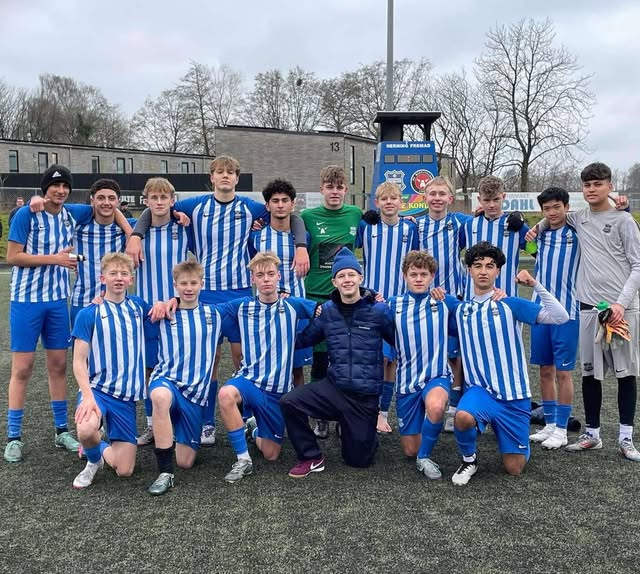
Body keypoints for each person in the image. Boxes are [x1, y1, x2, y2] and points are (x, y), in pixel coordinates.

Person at [127, 156, 309, 446]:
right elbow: (155, 208)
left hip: (240, 293)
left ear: (237, 178)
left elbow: (290, 214)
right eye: (219, 172)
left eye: (230, 172)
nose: (225, 176)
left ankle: (249, 418)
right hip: (207, 294)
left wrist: (300, 246)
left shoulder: (250, 207)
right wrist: (136, 235)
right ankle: (207, 423)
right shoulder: (195, 206)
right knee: (207, 361)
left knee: (244, 358)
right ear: (211, 177)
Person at [528, 162, 640, 460]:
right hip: (589, 309)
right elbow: (552, 216)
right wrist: (537, 227)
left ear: (610, 186)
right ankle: (592, 434)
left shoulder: (624, 220)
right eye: (587, 185)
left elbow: (638, 264)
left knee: (626, 375)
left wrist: (621, 303)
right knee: (590, 374)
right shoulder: (579, 218)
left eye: (598, 184)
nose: (592, 189)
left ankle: (626, 438)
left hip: (621, 310)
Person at [447, 242, 569, 486]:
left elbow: (561, 317)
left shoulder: (510, 304)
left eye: (489, 266)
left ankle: (510, 436)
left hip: (514, 397)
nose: (483, 271)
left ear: (498, 271)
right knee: (462, 417)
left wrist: (535, 285)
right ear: (469, 270)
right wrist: (436, 293)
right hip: (480, 392)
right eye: (477, 266)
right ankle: (469, 459)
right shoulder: (460, 309)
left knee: (514, 468)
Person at [280, 247, 395, 477]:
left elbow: (400, 341)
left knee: (359, 460)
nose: (347, 279)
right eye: (341, 276)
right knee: (289, 402)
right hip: (335, 389)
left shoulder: (379, 311)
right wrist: (281, 307)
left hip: (364, 397)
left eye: (351, 274)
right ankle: (312, 457)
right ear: (334, 282)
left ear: (360, 278)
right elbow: (303, 339)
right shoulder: (328, 312)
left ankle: (359, 431)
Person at [4, 165, 93, 463]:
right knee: (22, 368)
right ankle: (14, 436)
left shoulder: (71, 213)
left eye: (65, 186)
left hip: (57, 302)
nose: (61, 191)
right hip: (26, 301)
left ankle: (61, 431)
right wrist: (54, 259)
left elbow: (106, 206)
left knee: (58, 366)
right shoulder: (27, 214)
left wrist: (132, 233)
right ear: (45, 189)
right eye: (56, 186)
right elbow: (13, 256)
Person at [216, 252, 317, 483]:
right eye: (260, 275)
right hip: (249, 382)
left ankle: (253, 427)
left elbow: (326, 309)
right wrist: (174, 301)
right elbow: (204, 310)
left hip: (277, 392)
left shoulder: (293, 305)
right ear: (253, 279)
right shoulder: (242, 306)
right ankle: (243, 460)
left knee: (271, 454)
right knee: (226, 394)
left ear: (279, 276)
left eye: (271, 274)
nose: (266, 279)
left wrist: (369, 297)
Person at [71, 253, 164, 489]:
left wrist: (163, 303)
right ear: (103, 278)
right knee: (86, 428)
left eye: (124, 274)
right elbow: (79, 361)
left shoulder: (138, 307)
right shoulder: (89, 313)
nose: (119, 278)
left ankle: (98, 447)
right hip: (98, 390)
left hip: (125, 398)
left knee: (125, 470)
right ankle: (93, 461)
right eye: (113, 273)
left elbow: (161, 312)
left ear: (131, 279)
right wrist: (88, 397)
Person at [146, 261, 222, 495]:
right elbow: (130, 307)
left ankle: (176, 430)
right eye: (183, 284)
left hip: (195, 395)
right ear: (175, 285)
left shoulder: (215, 313)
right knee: (160, 397)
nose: (188, 288)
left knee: (186, 462)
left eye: (193, 283)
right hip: (167, 380)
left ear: (202, 284)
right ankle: (164, 473)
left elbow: (253, 303)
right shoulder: (163, 313)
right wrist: (161, 303)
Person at [301, 165, 362, 438]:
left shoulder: (355, 213)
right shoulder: (307, 216)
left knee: (345, 359)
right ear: (321, 189)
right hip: (316, 297)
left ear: (345, 190)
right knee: (320, 360)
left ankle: (343, 413)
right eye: (330, 187)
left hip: (348, 299)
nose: (334, 192)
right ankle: (320, 415)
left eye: (339, 187)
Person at [389, 251, 458, 479]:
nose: (419, 279)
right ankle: (421, 445)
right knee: (410, 450)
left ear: (432, 277)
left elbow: (473, 310)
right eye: (414, 274)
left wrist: (497, 294)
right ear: (404, 276)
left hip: (436, 375)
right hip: (407, 382)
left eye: (424, 274)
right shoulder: (393, 305)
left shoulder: (444, 302)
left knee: (436, 407)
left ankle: (425, 457)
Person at [356, 181, 419, 433]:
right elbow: (349, 242)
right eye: (384, 199)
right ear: (377, 203)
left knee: (391, 361)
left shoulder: (410, 228)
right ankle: (368, 409)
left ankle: (382, 413)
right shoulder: (366, 225)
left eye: (394, 198)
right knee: (376, 358)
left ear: (401, 203)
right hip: (370, 302)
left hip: (399, 303)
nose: (389, 202)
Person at [134, 178, 192, 447]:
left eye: (163, 197)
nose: (159, 202)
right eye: (154, 198)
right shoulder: (136, 231)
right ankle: (151, 424)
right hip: (147, 311)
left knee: (178, 366)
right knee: (150, 369)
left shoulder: (184, 227)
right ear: (146, 200)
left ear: (172, 200)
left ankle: (180, 421)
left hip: (177, 309)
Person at [526, 187, 580, 450]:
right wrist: (535, 229)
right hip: (540, 311)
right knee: (545, 370)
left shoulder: (578, 233)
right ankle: (548, 424)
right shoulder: (540, 235)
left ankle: (561, 428)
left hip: (568, 311)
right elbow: (529, 246)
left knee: (563, 372)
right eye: (547, 209)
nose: (552, 212)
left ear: (566, 207)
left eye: (557, 207)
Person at [416, 175, 471, 432]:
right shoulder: (416, 225)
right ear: (425, 197)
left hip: (453, 298)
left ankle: (455, 406)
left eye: (442, 194)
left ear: (451, 198)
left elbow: (487, 218)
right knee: (428, 351)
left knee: (455, 354)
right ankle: (426, 402)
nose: (437, 198)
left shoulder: (460, 223)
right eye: (432, 193)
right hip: (424, 300)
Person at [250, 179, 312, 388]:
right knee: (265, 363)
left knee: (296, 368)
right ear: (267, 206)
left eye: (285, 200)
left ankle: (298, 408)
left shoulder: (303, 238)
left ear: (292, 204)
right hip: (266, 309)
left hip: (296, 307)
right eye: (275, 201)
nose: (280, 205)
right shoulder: (256, 237)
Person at [68, 179, 135, 326]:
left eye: (111, 198)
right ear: (92, 200)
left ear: (118, 202)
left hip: (116, 302)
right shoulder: (78, 226)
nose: (106, 202)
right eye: (101, 198)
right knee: (80, 341)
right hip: (82, 301)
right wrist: (35, 199)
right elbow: (52, 207)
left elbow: (155, 217)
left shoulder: (128, 227)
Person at [461, 175, 529, 299]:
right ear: (479, 199)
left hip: (506, 297)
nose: (492, 205)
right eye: (487, 200)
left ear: (503, 197)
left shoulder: (516, 225)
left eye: (496, 199)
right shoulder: (469, 225)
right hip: (473, 298)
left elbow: (535, 250)